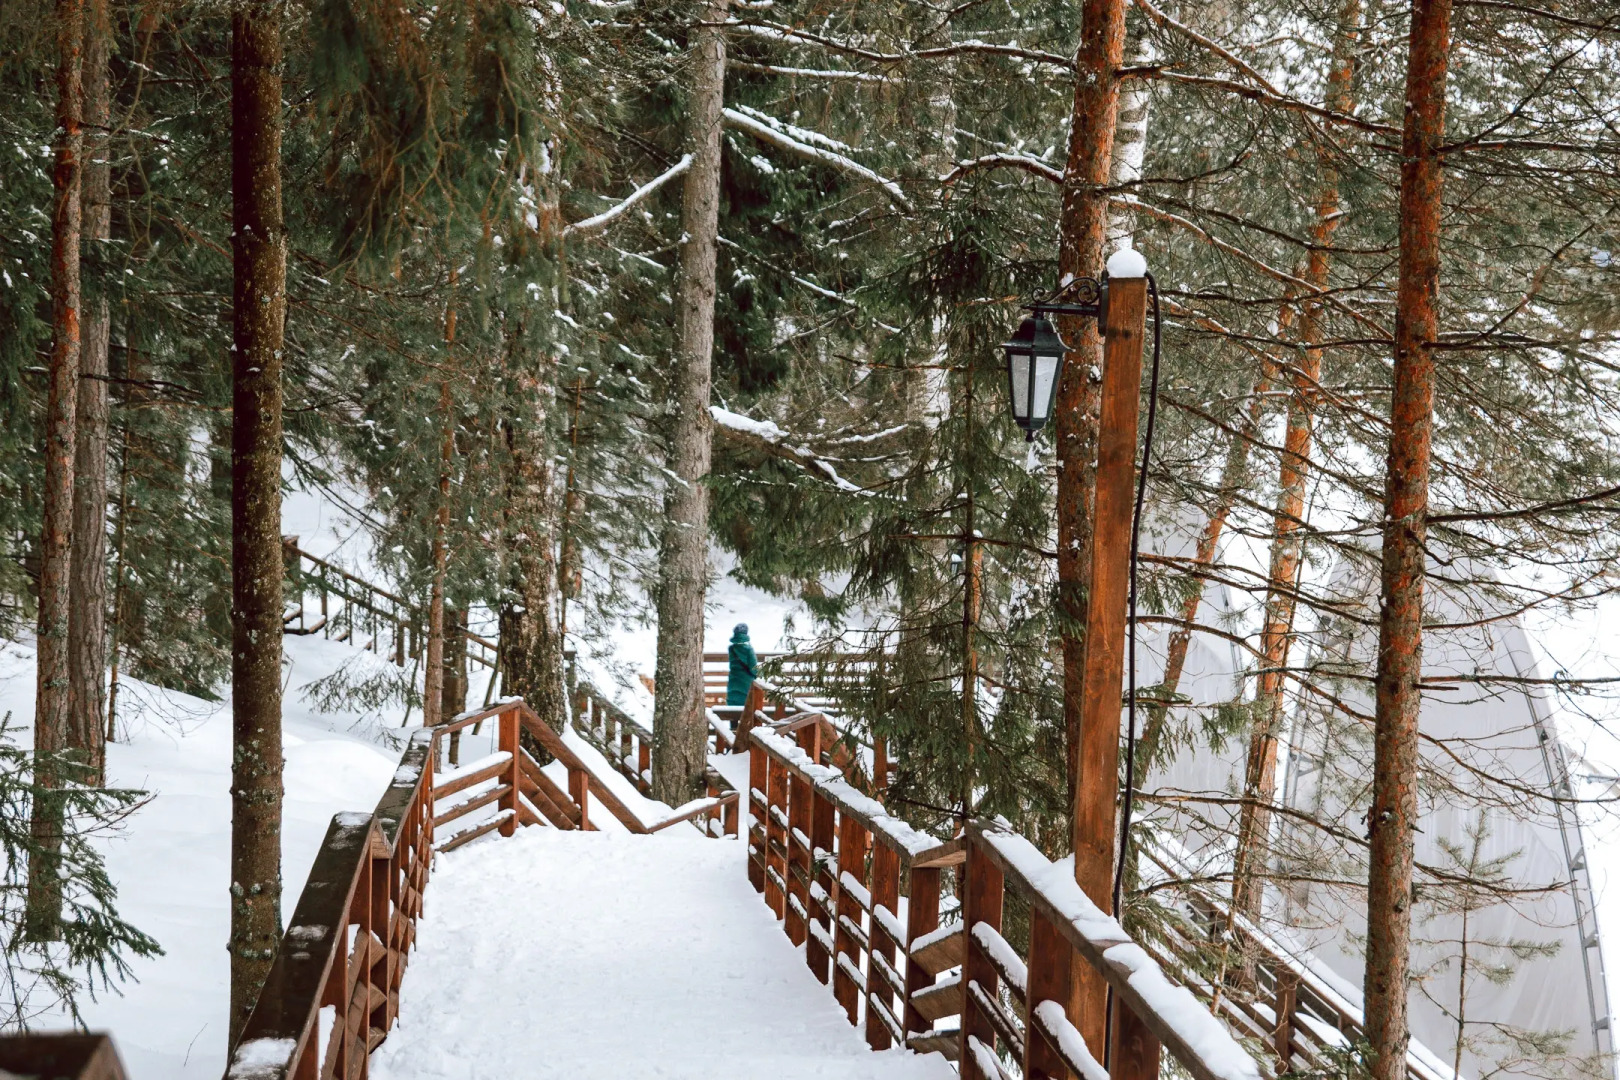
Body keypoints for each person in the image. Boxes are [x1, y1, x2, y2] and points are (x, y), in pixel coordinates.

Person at [726, 623, 759, 706]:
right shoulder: (749, 649)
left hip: (733, 679)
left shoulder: (731, 648)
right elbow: (754, 667)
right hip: (746, 681)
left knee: (733, 700)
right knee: (746, 702)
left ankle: (732, 718)